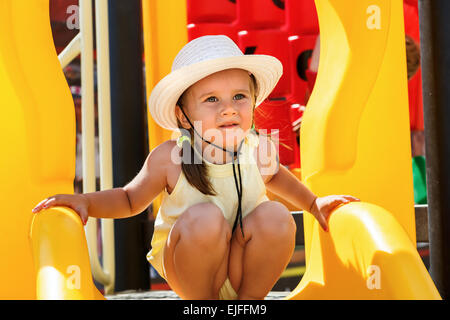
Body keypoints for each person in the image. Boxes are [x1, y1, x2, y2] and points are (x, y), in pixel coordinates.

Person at [32, 35, 359, 300]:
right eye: (212, 100)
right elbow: (130, 200)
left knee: (277, 216)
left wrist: (315, 204)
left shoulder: (257, 150)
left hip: (240, 266)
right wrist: (86, 202)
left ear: (253, 101)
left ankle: (248, 305)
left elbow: (280, 180)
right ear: (182, 115)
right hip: (192, 270)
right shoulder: (171, 157)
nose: (229, 109)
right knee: (205, 218)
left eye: (240, 97)